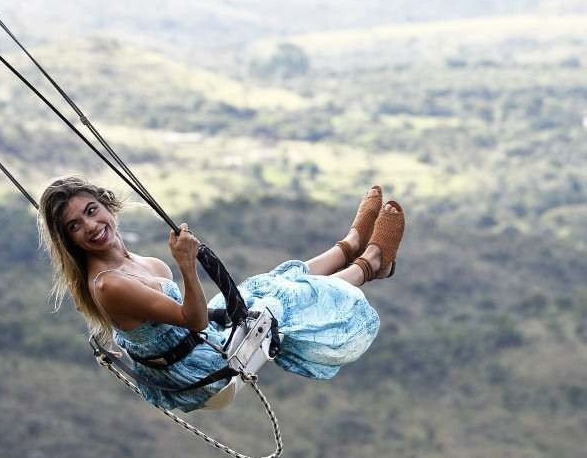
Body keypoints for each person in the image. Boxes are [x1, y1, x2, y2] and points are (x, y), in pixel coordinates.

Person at [37, 176, 404, 412]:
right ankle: (371, 262)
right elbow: (191, 318)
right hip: (198, 371)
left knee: (265, 284)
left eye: (91, 210)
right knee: (283, 301)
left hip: (198, 341)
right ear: (69, 240)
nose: (90, 226)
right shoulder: (108, 283)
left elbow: (184, 319)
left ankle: (351, 244)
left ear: (106, 206)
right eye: (75, 226)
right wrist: (186, 265)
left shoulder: (138, 262)